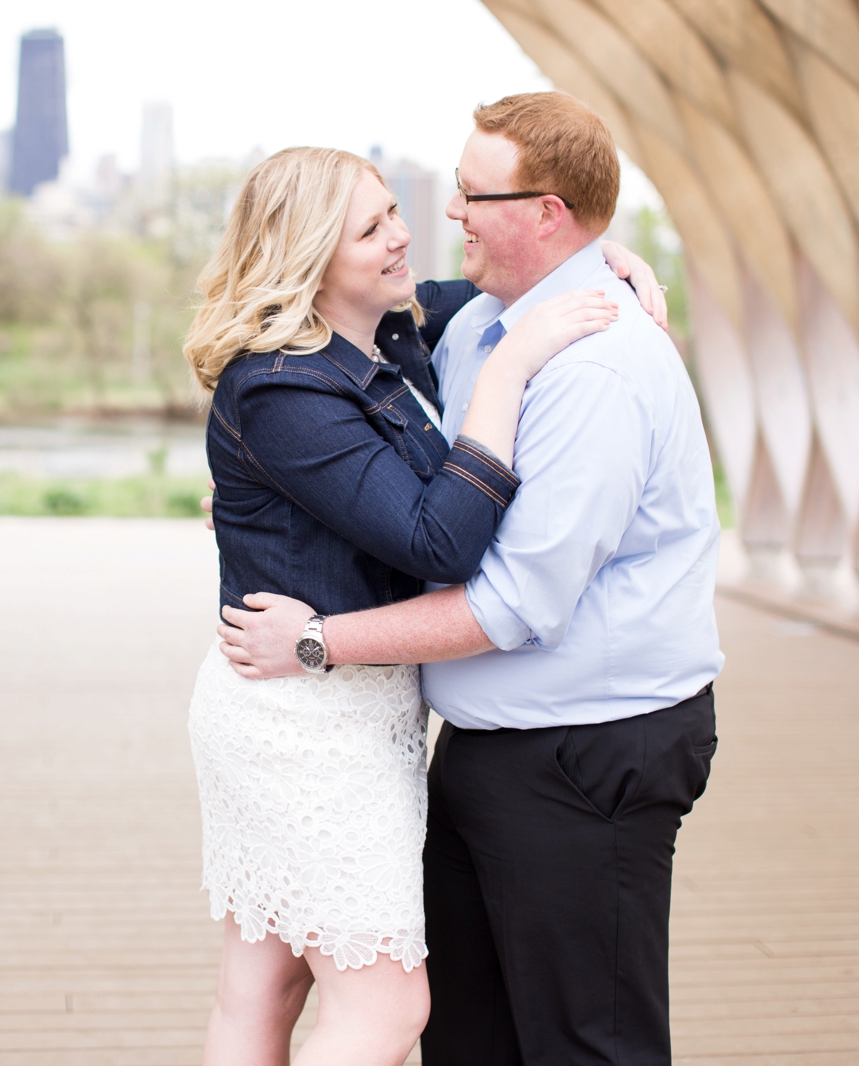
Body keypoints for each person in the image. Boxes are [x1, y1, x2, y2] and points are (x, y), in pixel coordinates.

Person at [216, 92, 724, 1066]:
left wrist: (318, 639)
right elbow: (351, 423)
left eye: (472, 194)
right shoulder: (477, 327)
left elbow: (512, 601)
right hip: (482, 750)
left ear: (545, 214)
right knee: (465, 1036)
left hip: (586, 752)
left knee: (587, 1043)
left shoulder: (597, 366)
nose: (444, 216)